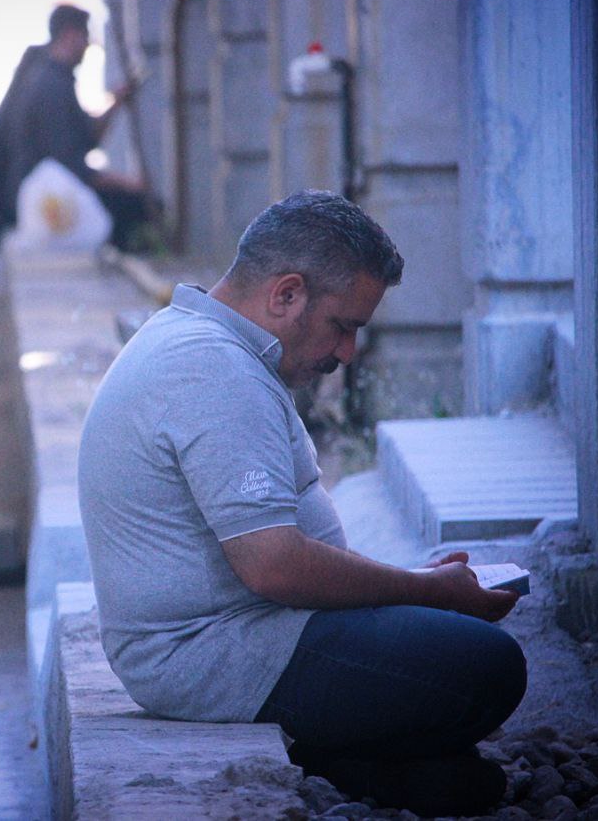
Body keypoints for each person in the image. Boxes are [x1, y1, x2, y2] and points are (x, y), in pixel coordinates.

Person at [77, 190, 527, 816]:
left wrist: (412, 588)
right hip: (210, 655)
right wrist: (426, 593)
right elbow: (275, 566)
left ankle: (373, 765)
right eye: (343, 326)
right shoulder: (215, 372)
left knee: (451, 696)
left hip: (240, 633)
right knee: (489, 665)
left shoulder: (204, 344)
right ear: (287, 294)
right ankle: (346, 759)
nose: (347, 354)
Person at [0, 3, 149, 254]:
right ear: (70, 35)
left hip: (34, 195)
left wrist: (116, 103)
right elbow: (71, 165)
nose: (88, 45)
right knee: (132, 207)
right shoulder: (50, 86)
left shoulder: (51, 77)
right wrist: (128, 183)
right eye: (86, 36)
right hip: (41, 200)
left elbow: (87, 139)